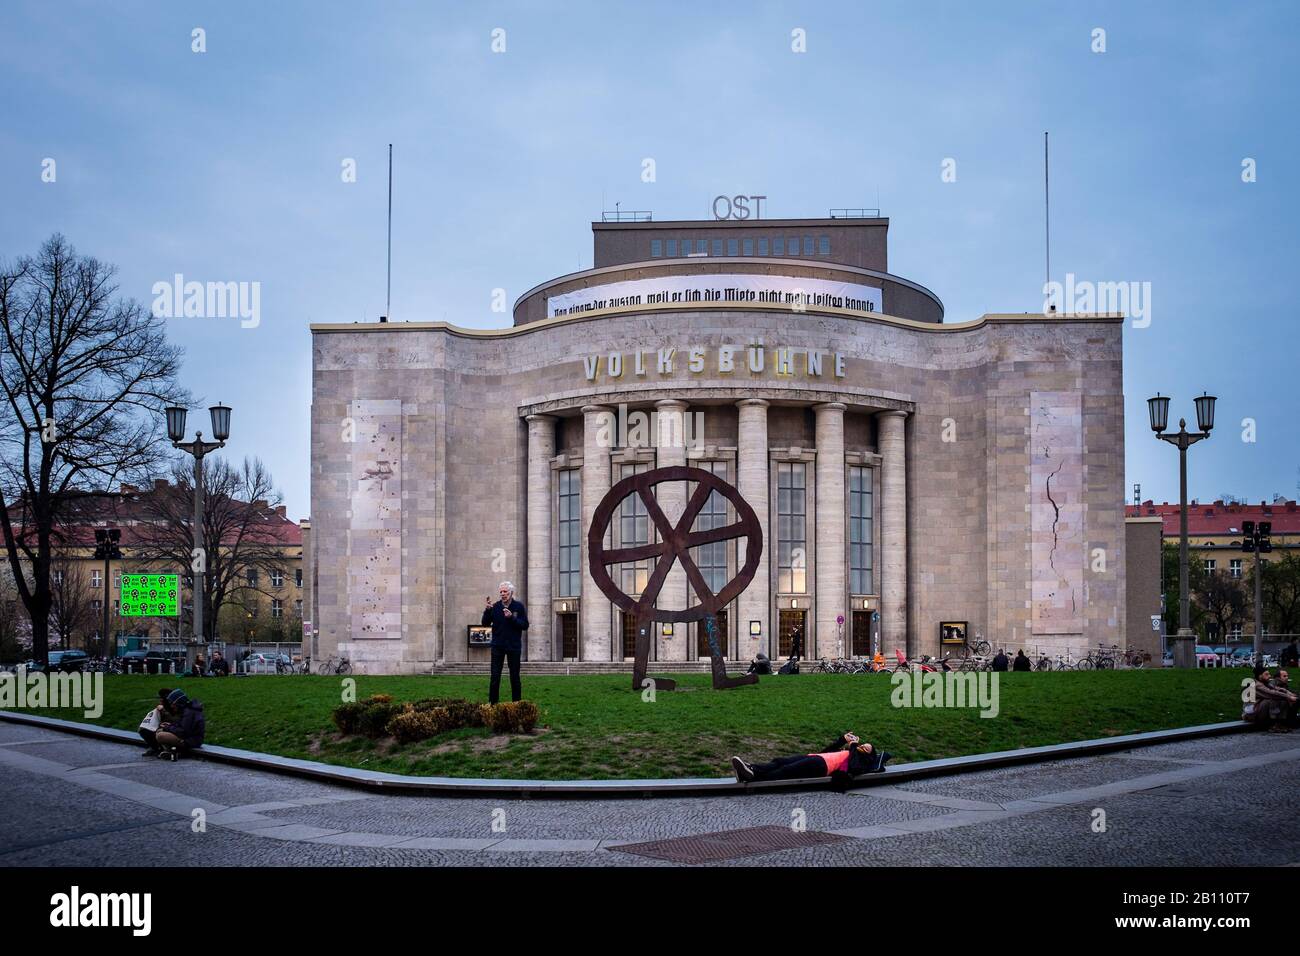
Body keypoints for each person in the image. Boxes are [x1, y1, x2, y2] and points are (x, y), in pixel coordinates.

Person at [731, 732, 891, 784]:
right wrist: (842, 740)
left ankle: (754, 777)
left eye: (865, 748)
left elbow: (854, 767)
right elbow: (826, 751)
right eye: (863, 745)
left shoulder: (859, 761)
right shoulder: (849, 753)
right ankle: (751, 768)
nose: (861, 746)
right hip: (817, 758)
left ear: (869, 756)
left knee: (786, 771)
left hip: (821, 766)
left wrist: (854, 747)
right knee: (780, 761)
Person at [482, 580, 529, 704]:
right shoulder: (496, 607)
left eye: (505, 591)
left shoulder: (518, 607)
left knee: (515, 677)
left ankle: (516, 704)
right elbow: (485, 623)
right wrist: (487, 610)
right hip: (498, 646)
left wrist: (512, 618)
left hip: (513, 647)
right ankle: (493, 705)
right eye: (501, 592)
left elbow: (525, 625)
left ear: (511, 592)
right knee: (495, 677)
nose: (503, 594)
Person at [156, 689, 206, 759]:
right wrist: (169, 725)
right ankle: (172, 752)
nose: (171, 706)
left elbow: (183, 732)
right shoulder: (186, 710)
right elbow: (180, 726)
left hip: (191, 741)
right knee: (160, 731)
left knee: (161, 735)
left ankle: (177, 752)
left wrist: (168, 728)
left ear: (178, 702)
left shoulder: (189, 713)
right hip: (188, 738)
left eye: (172, 703)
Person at [1244, 666, 1297, 732]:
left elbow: (1277, 689)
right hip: (1251, 714)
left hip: (1259, 709)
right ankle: (1273, 725)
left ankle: (1280, 724)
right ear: (1260, 676)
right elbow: (1271, 693)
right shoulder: (1256, 685)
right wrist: (1289, 697)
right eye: (1266, 674)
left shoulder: (1265, 683)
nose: (1269, 676)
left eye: (1269, 674)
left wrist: (1289, 693)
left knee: (1283, 699)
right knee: (1272, 699)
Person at [138, 688, 174, 755]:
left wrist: (163, 711)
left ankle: (157, 748)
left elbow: (174, 719)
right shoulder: (162, 708)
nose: (159, 700)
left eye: (161, 698)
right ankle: (155, 747)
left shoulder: (170, 708)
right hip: (155, 728)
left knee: (156, 731)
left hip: (171, 731)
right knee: (145, 730)